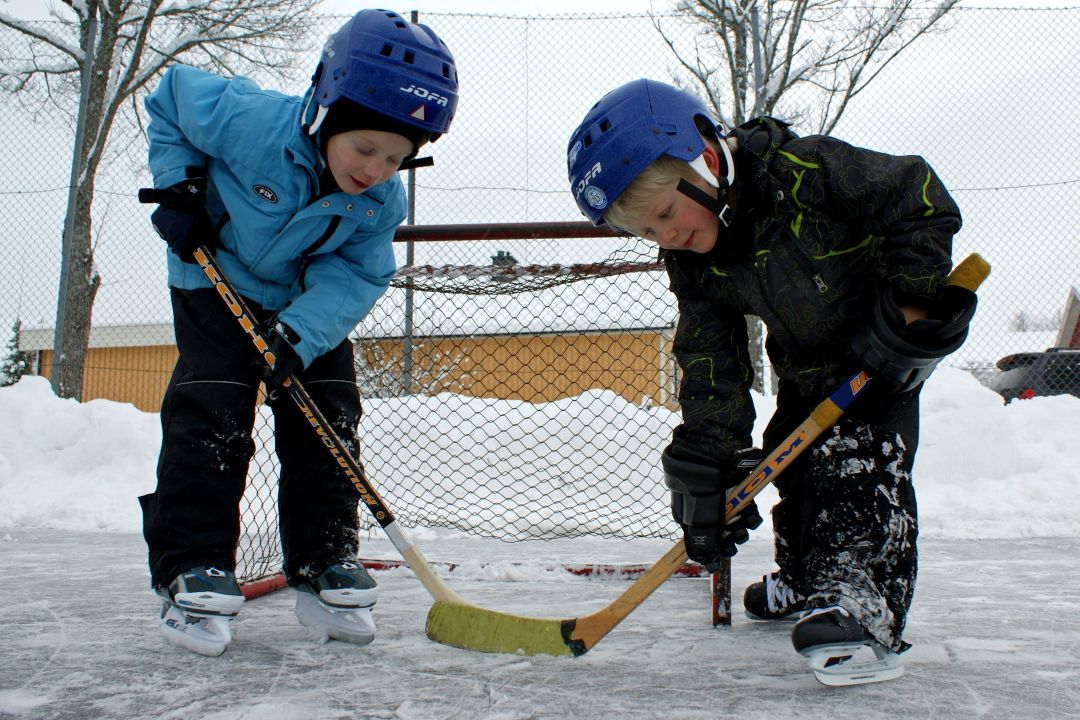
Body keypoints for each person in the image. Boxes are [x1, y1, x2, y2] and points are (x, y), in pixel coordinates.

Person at [566, 79, 974, 683]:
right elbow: (711, 357)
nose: (666, 237)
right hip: (805, 367)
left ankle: (858, 598)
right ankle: (807, 577)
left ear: (707, 162)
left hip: (878, 357)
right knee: (792, 461)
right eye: (648, 232)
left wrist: (911, 300)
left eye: (666, 215)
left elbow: (916, 194)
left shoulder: (803, 172)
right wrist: (710, 458)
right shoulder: (692, 261)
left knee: (855, 459)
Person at [137, 9, 458, 657]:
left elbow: (358, 273)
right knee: (214, 409)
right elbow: (171, 99)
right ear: (324, 110)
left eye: (396, 158)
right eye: (364, 148)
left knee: (328, 414)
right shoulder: (250, 120)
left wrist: (299, 334)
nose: (376, 169)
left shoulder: (381, 201)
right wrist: (180, 187)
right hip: (213, 275)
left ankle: (324, 557)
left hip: (303, 303)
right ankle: (192, 563)